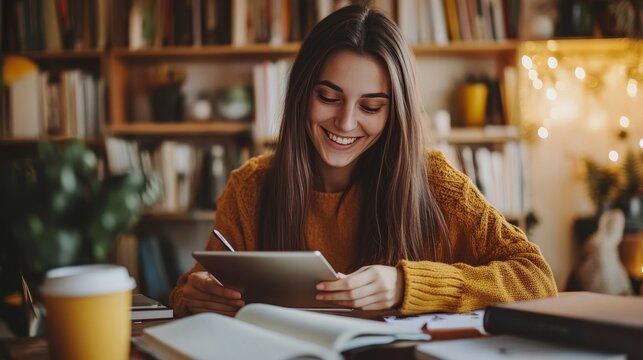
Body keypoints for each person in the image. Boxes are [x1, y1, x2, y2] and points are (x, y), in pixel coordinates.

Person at [169, 5, 557, 317]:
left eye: (371, 105)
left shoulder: (433, 182)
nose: (346, 122)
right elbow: (192, 290)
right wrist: (194, 295)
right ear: (303, 93)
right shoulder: (251, 187)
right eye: (329, 97)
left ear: (395, 113)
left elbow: (536, 277)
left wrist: (408, 285)